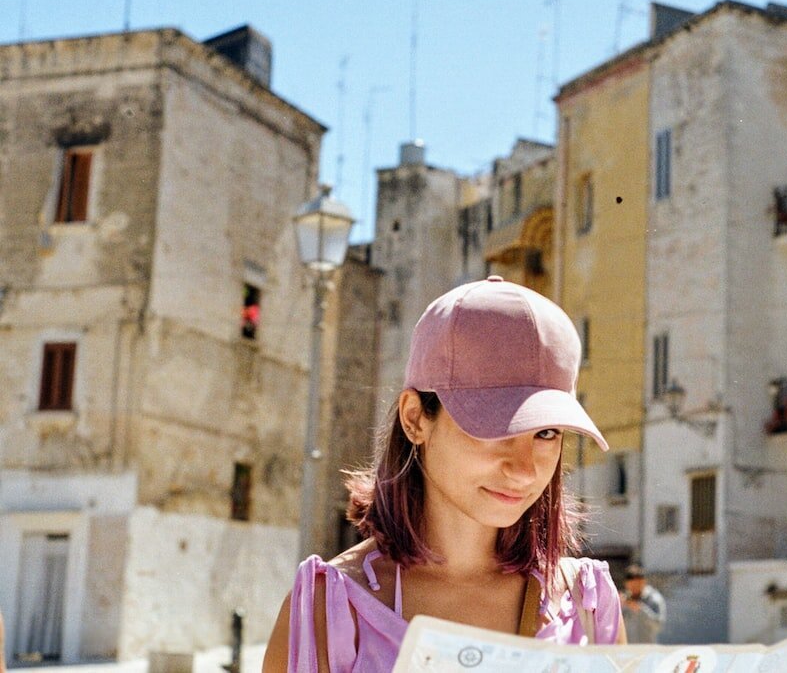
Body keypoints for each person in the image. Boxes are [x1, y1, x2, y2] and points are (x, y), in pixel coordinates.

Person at [263, 275, 626, 672]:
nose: (524, 470)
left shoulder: (587, 604)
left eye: (545, 432)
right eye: (494, 425)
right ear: (415, 418)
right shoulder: (332, 608)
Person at [620, 564, 666, 644]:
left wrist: (639, 609)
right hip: (627, 651)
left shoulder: (654, 599)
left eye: (636, 586)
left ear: (643, 582)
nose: (633, 590)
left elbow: (658, 626)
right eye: (630, 587)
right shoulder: (624, 600)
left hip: (648, 650)